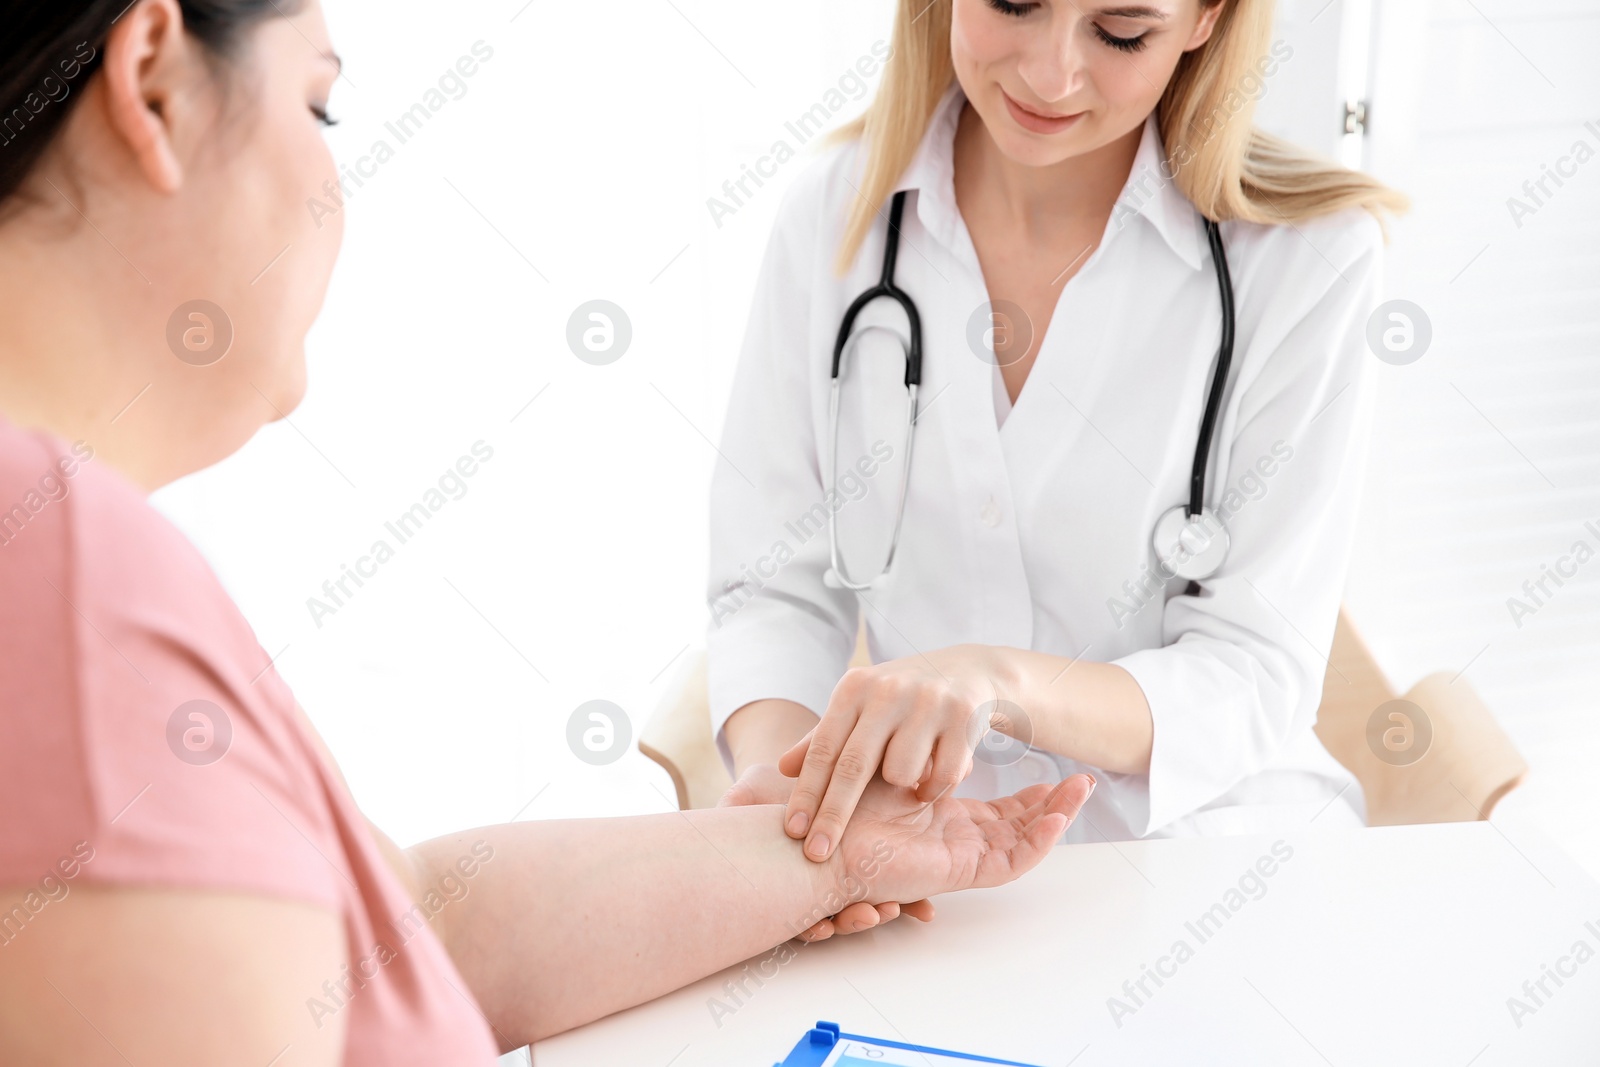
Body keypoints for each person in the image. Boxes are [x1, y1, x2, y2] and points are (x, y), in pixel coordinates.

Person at [0, 2, 1097, 1062]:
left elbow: (407, 924)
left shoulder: (67, 554)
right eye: (318, 107)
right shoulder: (64, 571)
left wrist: (821, 859)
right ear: (153, 81)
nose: (335, 182)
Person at [709, 0, 1410, 863]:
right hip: (910, 853)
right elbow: (774, 587)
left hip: (1208, 851)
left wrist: (996, 682)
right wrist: (789, 786)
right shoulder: (837, 213)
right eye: (1014, 3)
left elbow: (1253, 669)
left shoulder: (1309, 259)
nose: (1051, 76)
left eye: (1121, 32)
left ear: (1205, 20)